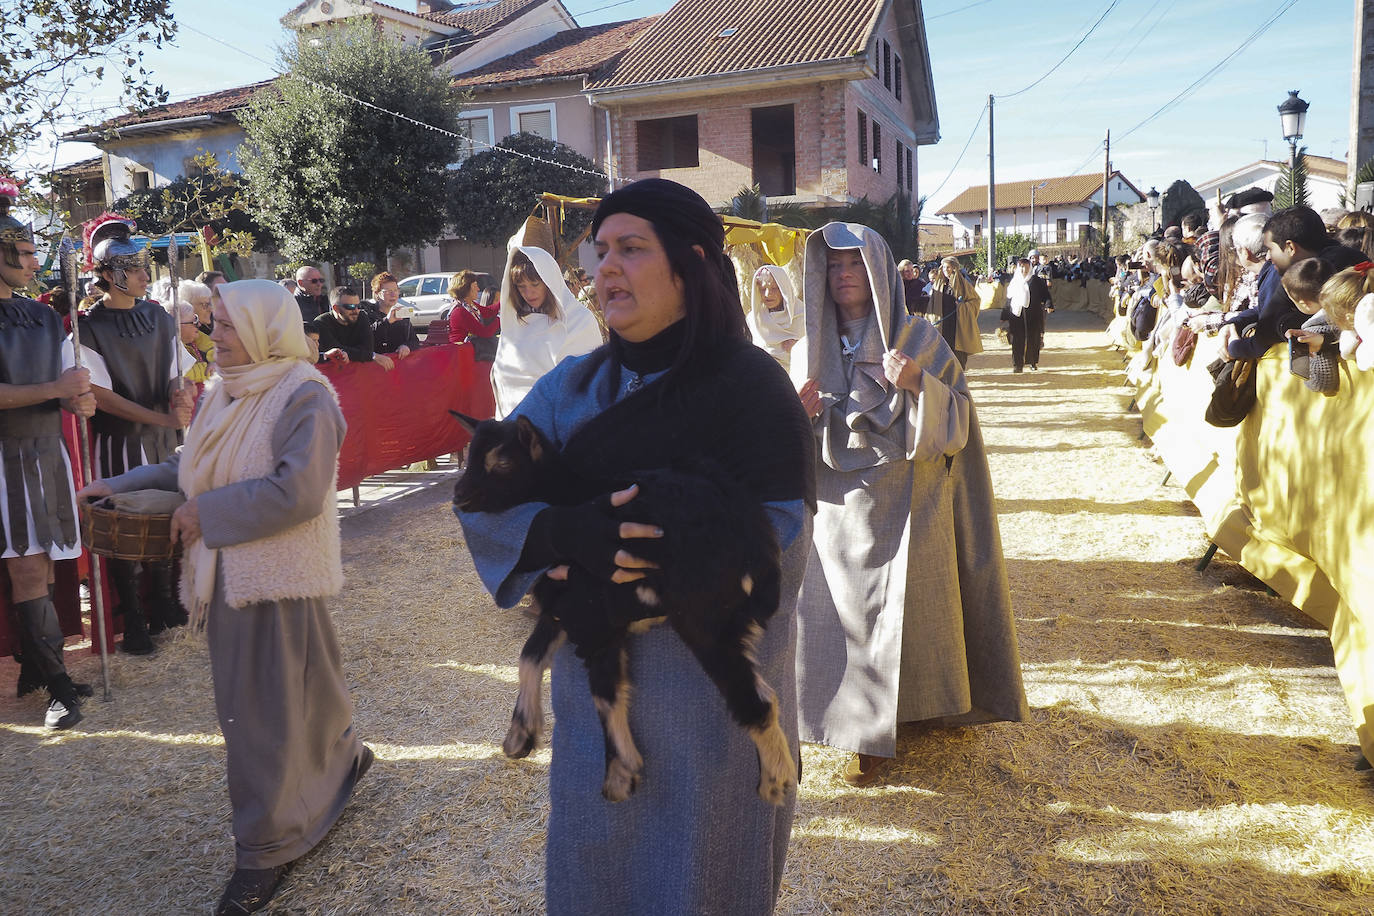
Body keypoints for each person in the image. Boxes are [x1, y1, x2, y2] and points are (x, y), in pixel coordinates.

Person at [456, 178, 815, 915]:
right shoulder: (568, 388)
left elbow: (782, 529)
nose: (605, 268)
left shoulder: (753, 388)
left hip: (706, 693)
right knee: (600, 867)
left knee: (701, 873)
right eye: (601, 251)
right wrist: (557, 530)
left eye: (631, 249)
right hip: (600, 690)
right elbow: (482, 497)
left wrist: (675, 562)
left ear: (688, 265)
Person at [77, 279, 372, 915]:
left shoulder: (305, 397)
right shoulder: (226, 390)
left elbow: (300, 492)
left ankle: (263, 849)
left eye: (231, 325)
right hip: (238, 573)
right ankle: (341, 762)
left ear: (268, 329)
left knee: (259, 713)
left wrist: (208, 514)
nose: (218, 336)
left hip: (275, 575)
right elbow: (193, 463)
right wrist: (118, 481)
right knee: (306, 687)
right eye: (217, 323)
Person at [792, 221, 1026, 788]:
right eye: (836, 265)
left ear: (876, 272)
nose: (845, 275)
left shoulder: (920, 339)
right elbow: (779, 441)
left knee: (912, 612)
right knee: (846, 615)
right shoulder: (806, 350)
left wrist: (921, 383)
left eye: (855, 264)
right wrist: (792, 416)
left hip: (909, 502)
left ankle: (919, 709)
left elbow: (961, 420)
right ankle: (859, 731)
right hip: (837, 509)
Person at [66, 213, 194, 652]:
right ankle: (134, 619)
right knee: (123, 522)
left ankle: (161, 604)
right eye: (134, 268)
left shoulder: (159, 318)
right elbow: (98, 393)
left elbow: (179, 371)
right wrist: (160, 419)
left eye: (144, 266)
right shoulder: (89, 327)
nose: (144, 275)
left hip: (163, 439)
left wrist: (180, 395)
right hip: (121, 439)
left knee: (164, 517)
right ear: (108, 274)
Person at [0, 179, 97, 729]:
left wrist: (78, 400)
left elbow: (65, 387)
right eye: (26, 250)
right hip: (3, 458)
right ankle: (58, 684)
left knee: (46, 565)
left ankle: (40, 666)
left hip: (45, 451)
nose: (35, 261)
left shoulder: (41, 317)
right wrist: (57, 390)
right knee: (28, 570)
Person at [490, 245, 601, 419]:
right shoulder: (516, 323)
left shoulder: (579, 321)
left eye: (535, 284)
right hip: (513, 424)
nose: (529, 292)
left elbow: (586, 383)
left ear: (549, 282)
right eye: (521, 286)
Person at [312, 286, 394, 370]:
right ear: (336, 308)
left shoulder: (362, 316)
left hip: (357, 376)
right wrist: (368, 355)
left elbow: (368, 349)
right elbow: (336, 351)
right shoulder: (321, 323)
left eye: (358, 306)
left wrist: (359, 354)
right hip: (332, 375)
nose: (356, 311)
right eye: (350, 307)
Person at [927, 256, 983, 367]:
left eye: (948, 267)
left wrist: (963, 307)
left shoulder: (963, 285)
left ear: (954, 268)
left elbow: (975, 301)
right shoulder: (938, 285)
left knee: (958, 352)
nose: (945, 270)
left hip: (958, 324)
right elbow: (931, 305)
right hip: (942, 323)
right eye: (943, 268)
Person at [746, 264, 805, 370]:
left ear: (784, 289)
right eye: (763, 289)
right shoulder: (753, 320)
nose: (768, 294)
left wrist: (798, 348)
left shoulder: (802, 316)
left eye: (774, 288)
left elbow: (817, 353)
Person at [1002, 258, 1051, 371]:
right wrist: (1004, 316)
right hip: (1016, 314)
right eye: (1022, 266)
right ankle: (1017, 364)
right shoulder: (1015, 282)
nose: (1024, 269)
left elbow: (1045, 294)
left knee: (1033, 338)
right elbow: (1009, 300)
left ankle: (1032, 362)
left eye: (1026, 266)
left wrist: (1048, 305)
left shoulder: (1036, 281)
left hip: (1033, 314)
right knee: (1017, 340)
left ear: (1030, 267)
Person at [365, 271, 420, 358]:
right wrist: (386, 321)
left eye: (395, 290)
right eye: (388, 291)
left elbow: (414, 341)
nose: (393, 294)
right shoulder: (368, 314)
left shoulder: (401, 313)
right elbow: (366, 339)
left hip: (399, 366)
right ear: (377, 294)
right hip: (376, 366)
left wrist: (407, 346)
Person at [446, 270, 501, 355]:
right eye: (475, 286)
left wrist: (504, 302)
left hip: (468, 348)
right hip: (459, 353)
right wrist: (500, 320)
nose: (478, 289)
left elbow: (488, 311)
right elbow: (484, 332)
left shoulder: (469, 305)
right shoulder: (460, 311)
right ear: (467, 288)